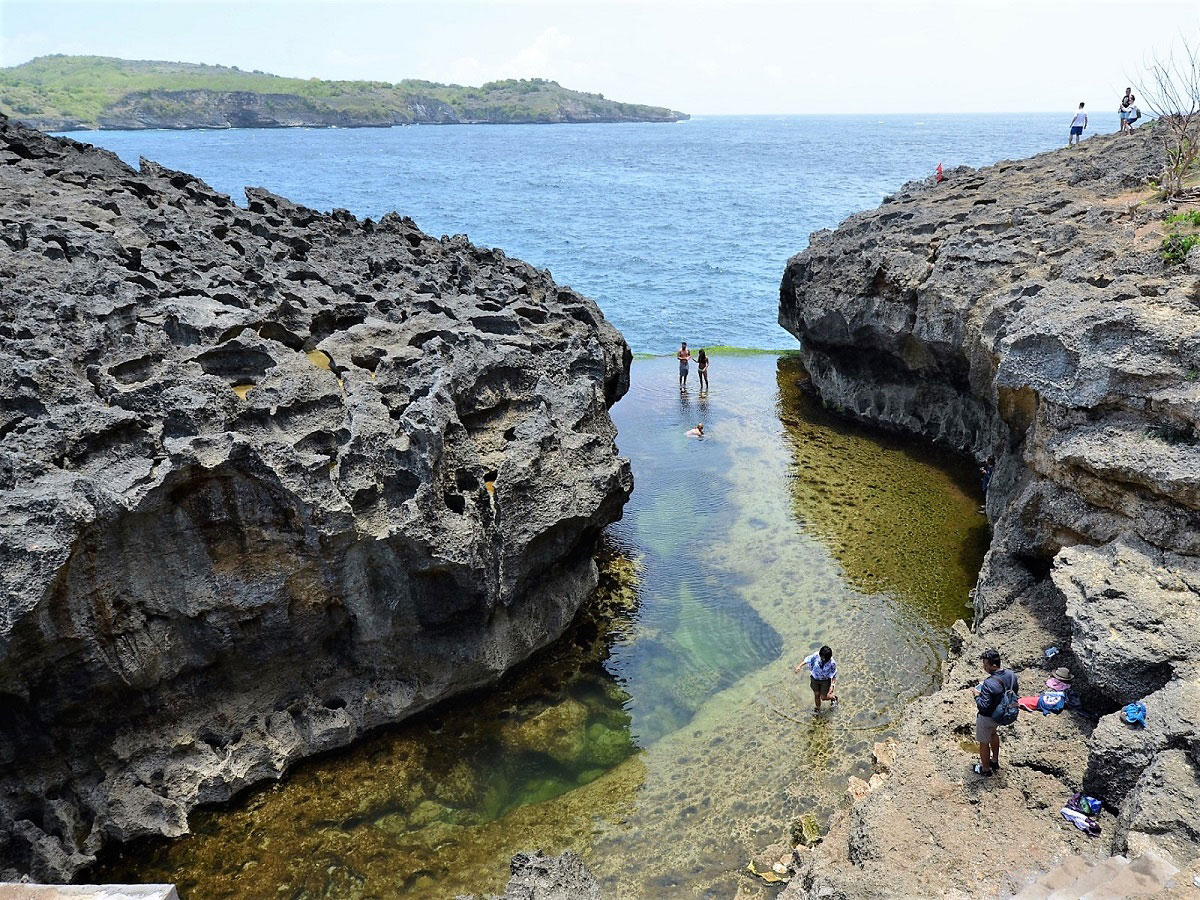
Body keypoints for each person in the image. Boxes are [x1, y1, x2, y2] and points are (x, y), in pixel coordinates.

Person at [971, 649, 1018, 776]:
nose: (984, 667)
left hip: (988, 717)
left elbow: (983, 706)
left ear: (994, 665)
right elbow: (1014, 690)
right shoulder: (1011, 674)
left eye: (985, 665)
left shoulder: (988, 683)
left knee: (984, 742)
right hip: (1002, 713)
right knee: (993, 734)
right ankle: (994, 761)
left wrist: (976, 695)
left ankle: (985, 769)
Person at [794, 645, 838, 714]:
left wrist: (832, 685)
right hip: (815, 679)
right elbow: (807, 660)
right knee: (816, 694)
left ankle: (834, 698)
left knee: (823, 697)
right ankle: (818, 709)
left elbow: (834, 674)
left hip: (825, 681)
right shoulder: (816, 656)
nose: (823, 659)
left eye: (824, 658)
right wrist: (799, 666)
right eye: (822, 657)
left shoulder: (832, 663)